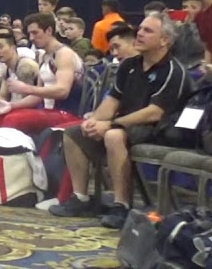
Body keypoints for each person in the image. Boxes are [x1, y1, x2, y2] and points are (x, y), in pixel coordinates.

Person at [50, 12, 188, 229]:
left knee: (114, 135)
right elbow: (113, 100)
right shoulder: (129, 65)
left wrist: (113, 124)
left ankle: (121, 204)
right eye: (140, 29)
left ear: (165, 41)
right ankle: (81, 198)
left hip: (160, 129)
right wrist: (94, 120)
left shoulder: (173, 70)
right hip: (128, 124)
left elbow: (155, 113)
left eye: (148, 31)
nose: (139, 33)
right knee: (74, 133)